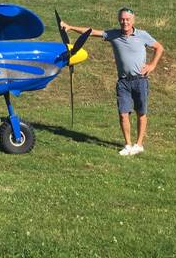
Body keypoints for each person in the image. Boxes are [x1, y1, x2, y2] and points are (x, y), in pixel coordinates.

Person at [60, 8, 164, 156]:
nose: (125, 22)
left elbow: (159, 47)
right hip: (123, 82)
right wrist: (70, 27)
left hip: (140, 80)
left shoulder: (142, 35)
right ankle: (128, 145)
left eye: (127, 19)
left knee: (141, 112)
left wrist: (152, 65)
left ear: (133, 20)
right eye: (122, 19)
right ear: (119, 20)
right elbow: (91, 32)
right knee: (123, 114)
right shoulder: (113, 34)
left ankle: (139, 144)